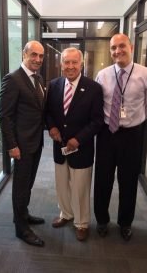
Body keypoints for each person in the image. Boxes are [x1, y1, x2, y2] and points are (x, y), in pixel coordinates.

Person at [94, 33, 147, 241]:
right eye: (113, 48)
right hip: (106, 134)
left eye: (121, 46)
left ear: (131, 47)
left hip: (131, 135)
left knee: (128, 181)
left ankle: (125, 222)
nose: (117, 51)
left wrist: (132, 121)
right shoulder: (102, 75)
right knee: (103, 179)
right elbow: (97, 104)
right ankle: (102, 220)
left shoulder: (146, 75)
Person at [46, 47, 104, 241]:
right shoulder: (53, 85)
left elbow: (97, 121)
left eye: (74, 62)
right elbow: (48, 113)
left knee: (80, 187)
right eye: (66, 62)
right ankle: (66, 214)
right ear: (61, 64)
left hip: (82, 147)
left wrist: (78, 139)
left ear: (81, 64)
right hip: (59, 146)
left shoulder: (94, 88)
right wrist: (52, 127)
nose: (70, 66)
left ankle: (81, 222)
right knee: (62, 184)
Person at [0, 40, 46, 247]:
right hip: (21, 146)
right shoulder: (13, 79)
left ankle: (24, 214)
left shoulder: (38, 78)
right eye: (33, 55)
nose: (37, 59)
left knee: (28, 183)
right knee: (20, 186)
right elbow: (5, 116)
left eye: (41, 56)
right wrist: (12, 146)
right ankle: (20, 228)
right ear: (24, 55)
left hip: (35, 143)